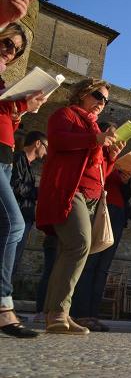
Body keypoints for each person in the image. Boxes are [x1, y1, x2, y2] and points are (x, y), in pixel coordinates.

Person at [36, 78, 125, 335]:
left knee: (70, 250)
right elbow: (60, 140)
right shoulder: (65, 114)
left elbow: (99, 172)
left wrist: (111, 157)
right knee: (80, 244)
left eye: (106, 100)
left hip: (90, 196)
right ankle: (58, 312)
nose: (101, 102)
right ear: (83, 92)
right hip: (69, 191)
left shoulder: (94, 128)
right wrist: (96, 138)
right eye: (98, 95)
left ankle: (55, 314)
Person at [0, 22, 46, 338]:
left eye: (16, 49)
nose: (10, 51)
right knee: (14, 224)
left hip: (4, 152)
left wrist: (20, 111)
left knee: (8, 225)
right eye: (7, 43)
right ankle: (4, 305)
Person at [70, 122, 131, 332]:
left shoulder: (113, 157)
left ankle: (92, 314)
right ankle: (80, 312)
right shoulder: (96, 153)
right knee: (90, 262)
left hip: (116, 212)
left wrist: (126, 180)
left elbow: (123, 191)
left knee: (103, 267)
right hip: (99, 207)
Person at [10, 130, 46, 276]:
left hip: (24, 217)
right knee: (10, 260)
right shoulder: (18, 158)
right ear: (38, 143)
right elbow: (15, 186)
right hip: (17, 217)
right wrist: (38, 192)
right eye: (46, 146)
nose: (46, 151)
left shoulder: (27, 164)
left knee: (14, 261)